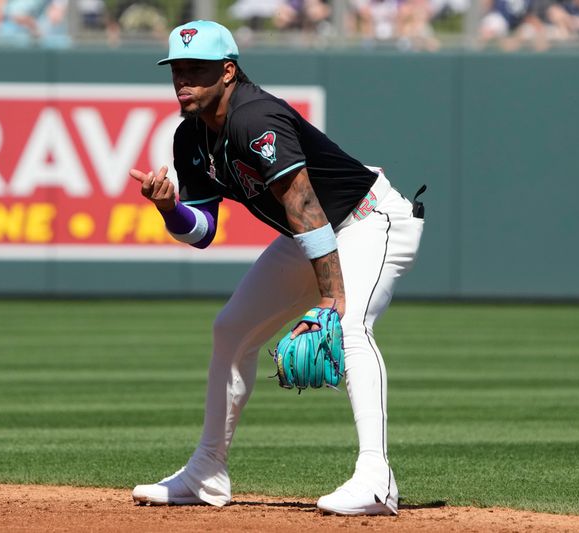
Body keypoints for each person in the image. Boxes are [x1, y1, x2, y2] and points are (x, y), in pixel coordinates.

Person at [128, 20, 424, 516]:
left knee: (349, 326)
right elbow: (202, 232)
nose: (184, 81)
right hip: (311, 234)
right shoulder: (191, 138)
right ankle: (207, 472)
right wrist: (169, 209)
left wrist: (330, 299)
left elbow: (305, 205)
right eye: (177, 70)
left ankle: (377, 480)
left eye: (196, 70)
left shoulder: (255, 116)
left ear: (227, 71)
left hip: (369, 220)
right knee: (231, 330)